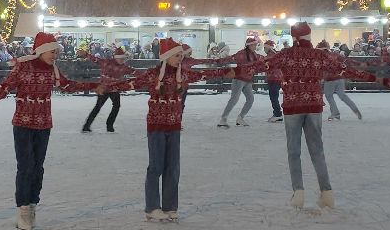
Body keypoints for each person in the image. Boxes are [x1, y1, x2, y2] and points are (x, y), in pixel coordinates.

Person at [0, 31, 99, 230]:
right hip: (23, 124)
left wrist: (94, 86)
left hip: (43, 124)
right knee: (26, 166)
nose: (54, 55)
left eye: (56, 52)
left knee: (38, 167)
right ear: (40, 51)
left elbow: (68, 85)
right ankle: (23, 208)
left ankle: (32, 204)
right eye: (51, 51)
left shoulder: (52, 70)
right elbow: (4, 88)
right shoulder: (23, 67)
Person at [246, 21, 375, 209]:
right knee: (317, 150)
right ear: (309, 35)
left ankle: (298, 193)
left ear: (294, 37)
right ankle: (327, 192)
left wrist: (231, 71)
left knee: (294, 151)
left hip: (292, 105)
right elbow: (345, 69)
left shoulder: (286, 54)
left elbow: (259, 66)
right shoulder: (319, 55)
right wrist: (375, 78)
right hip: (314, 104)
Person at [126, 38, 223, 220]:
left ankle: (170, 206)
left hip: (174, 125)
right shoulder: (153, 74)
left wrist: (231, 71)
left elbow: (204, 74)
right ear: (167, 56)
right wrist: (102, 87)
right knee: (156, 166)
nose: (180, 59)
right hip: (156, 125)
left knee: (172, 167)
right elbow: (130, 83)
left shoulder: (182, 75)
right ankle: (152, 208)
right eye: (177, 56)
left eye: (181, 56)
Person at [216, 34, 262, 127]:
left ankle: (240, 118)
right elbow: (231, 58)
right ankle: (223, 118)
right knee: (234, 99)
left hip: (248, 80)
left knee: (250, 99)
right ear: (249, 45)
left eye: (255, 45)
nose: (255, 46)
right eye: (254, 45)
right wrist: (220, 61)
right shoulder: (241, 54)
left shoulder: (254, 55)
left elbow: (261, 60)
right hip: (239, 79)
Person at [82, 46, 130, 133]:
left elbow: (134, 71)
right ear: (116, 58)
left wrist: (148, 75)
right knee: (98, 107)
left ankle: (109, 125)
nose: (122, 60)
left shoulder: (123, 67)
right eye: (120, 59)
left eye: (123, 59)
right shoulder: (107, 63)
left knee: (116, 106)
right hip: (103, 89)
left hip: (114, 89)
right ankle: (86, 126)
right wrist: (85, 54)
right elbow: (96, 59)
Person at [320, 39, 363, 120]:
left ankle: (335, 113)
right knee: (342, 95)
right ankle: (355, 109)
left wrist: (322, 78)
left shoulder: (322, 58)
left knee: (329, 95)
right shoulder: (335, 54)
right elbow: (344, 64)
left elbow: (322, 69)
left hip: (330, 79)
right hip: (340, 78)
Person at [262, 38, 284, 121]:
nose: (264, 49)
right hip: (276, 78)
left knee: (273, 97)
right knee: (274, 96)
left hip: (274, 78)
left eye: (265, 48)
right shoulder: (275, 54)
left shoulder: (271, 56)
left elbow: (267, 65)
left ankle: (278, 114)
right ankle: (277, 113)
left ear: (269, 48)